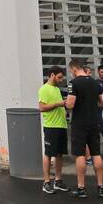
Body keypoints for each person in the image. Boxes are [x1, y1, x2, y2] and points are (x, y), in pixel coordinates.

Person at [65, 59, 103, 199]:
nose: (71, 74)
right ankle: (101, 187)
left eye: (71, 71)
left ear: (75, 69)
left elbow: (70, 104)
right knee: (96, 154)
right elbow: (102, 103)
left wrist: (65, 103)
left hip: (80, 123)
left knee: (80, 155)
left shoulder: (73, 83)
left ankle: (81, 188)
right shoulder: (96, 83)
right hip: (94, 122)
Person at [38, 65, 68, 194]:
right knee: (49, 154)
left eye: (62, 78)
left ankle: (58, 180)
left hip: (61, 125)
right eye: (59, 77)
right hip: (51, 126)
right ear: (52, 75)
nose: (61, 80)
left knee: (60, 154)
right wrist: (58, 104)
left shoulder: (56, 89)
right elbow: (41, 107)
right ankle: (46, 182)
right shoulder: (44, 89)